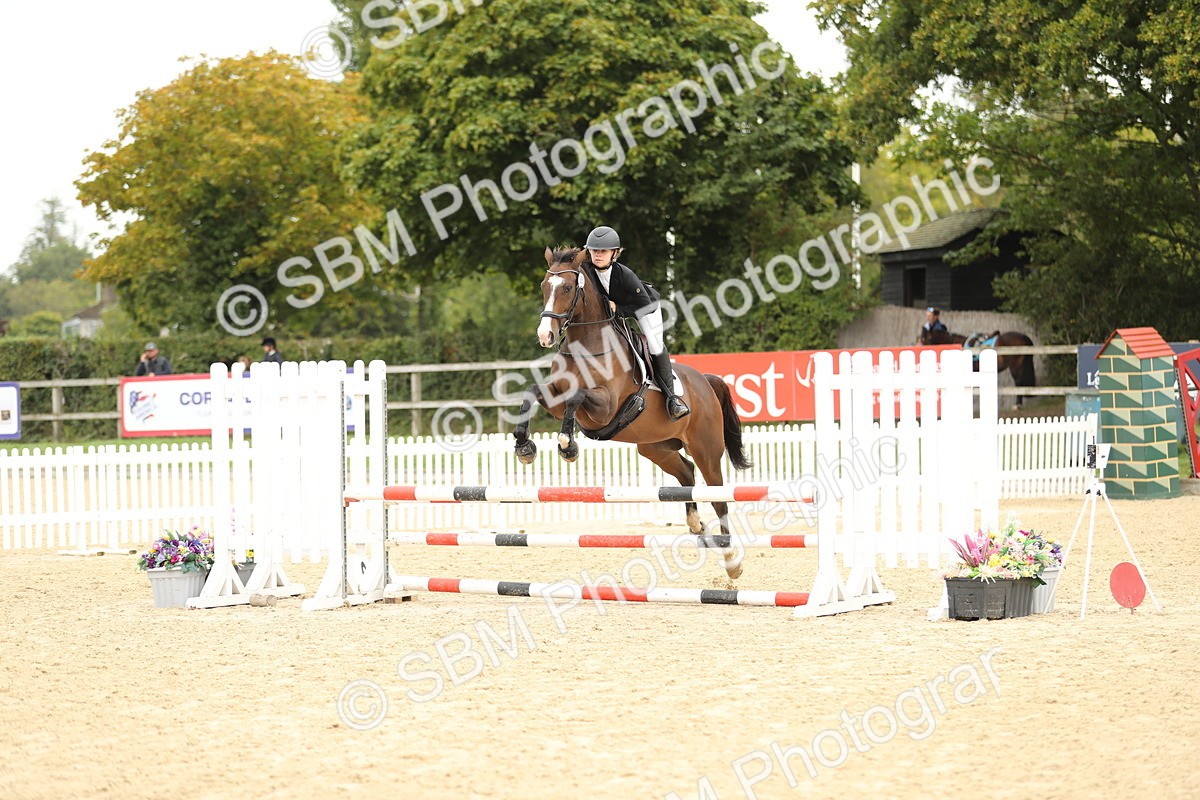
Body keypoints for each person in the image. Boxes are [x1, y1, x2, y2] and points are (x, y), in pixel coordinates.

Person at [582, 225, 689, 420]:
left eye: (603, 251)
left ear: (614, 253)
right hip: (614, 311)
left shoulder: (625, 275)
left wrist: (618, 310)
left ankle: (672, 399)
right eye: (594, 250)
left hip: (644, 307)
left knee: (655, 346)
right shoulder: (587, 270)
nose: (597, 255)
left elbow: (644, 306)